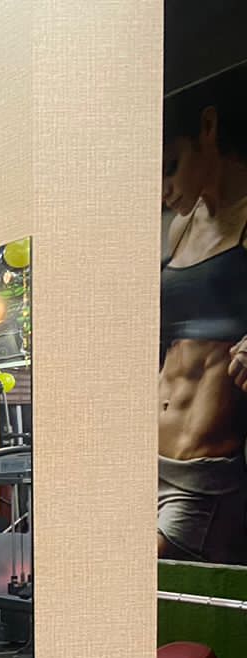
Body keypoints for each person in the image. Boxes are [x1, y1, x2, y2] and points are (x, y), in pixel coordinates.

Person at [158, 63, 247, 564]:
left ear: (208, 128)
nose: (164, 190)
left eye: (171, 166)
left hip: (201, 478)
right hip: (147, 462)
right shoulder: (180, 228)